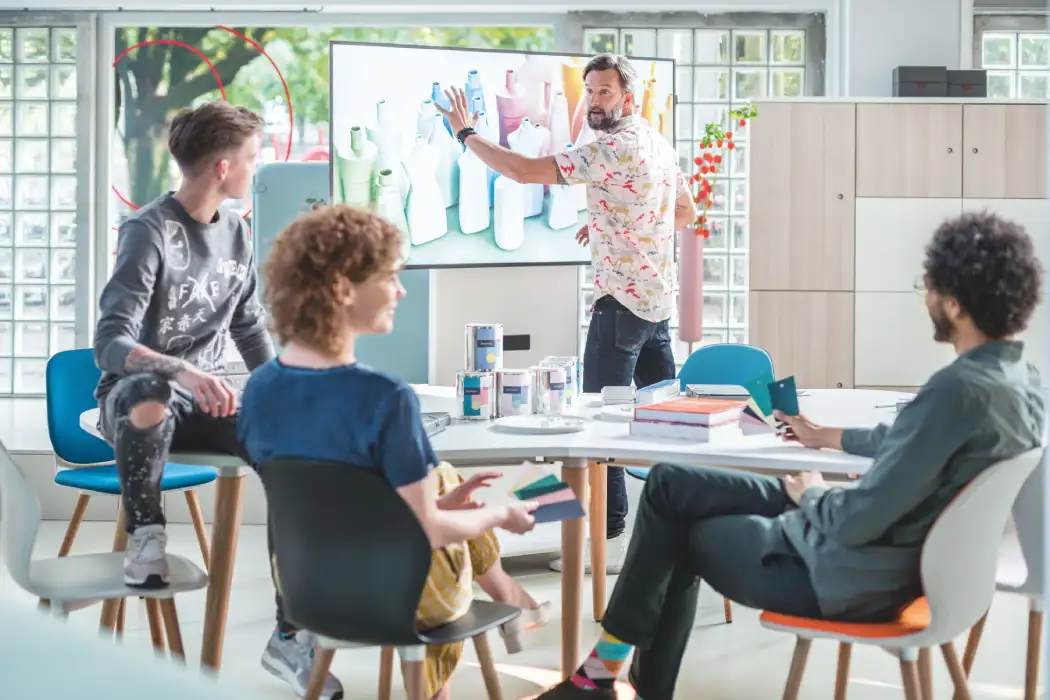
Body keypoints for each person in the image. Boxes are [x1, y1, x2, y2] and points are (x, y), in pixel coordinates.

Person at [531, 210, 1046, 700]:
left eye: (930, 288)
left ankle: (605, 679)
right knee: (671, 483)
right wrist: (828, 437)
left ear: (955, 304)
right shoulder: (1018, 383)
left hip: (846, 568)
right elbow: (913, 444)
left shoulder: (958, 390)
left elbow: (860, 518)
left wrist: (816, 491)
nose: (927, 298)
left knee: (680, 533)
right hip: (880, 551)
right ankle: (604, 679)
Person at [237, 204, 553, 700]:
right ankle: (449, 670)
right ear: (343, 288)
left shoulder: (258, 389)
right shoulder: (386, 397)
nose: (401, 291)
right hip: (397, 598)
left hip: (309, 595)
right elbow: (427, 530)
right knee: (444, 506)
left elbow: (332, 507)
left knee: (441, 481)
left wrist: (439, 505)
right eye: (389, 277)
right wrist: (499, 515)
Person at [92, 101, 343, 700]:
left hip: (205, 402)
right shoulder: (148, 230)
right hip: (135, 399)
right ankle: (147, 540)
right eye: (254, 159)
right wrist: (180, 369)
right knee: (151, 389)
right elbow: (109, 341)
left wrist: (289, 385)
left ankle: (291, 633)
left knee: (291, 447)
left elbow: (249, 327)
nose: (258, 170)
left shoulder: (236, 231)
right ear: (224, 167)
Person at [435, 52, 697, 572]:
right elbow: (685, 211)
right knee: (658, 429)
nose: (595, 102)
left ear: (628, 97)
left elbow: (522, 169)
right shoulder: (656, 143)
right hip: (655, 307)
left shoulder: (612, 147)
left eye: (605, 92)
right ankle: (670, 534)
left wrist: (466, 133)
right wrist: (617, 228)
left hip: (620, 308)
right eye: (590, 91)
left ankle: (605, 542)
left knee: (597, 428)